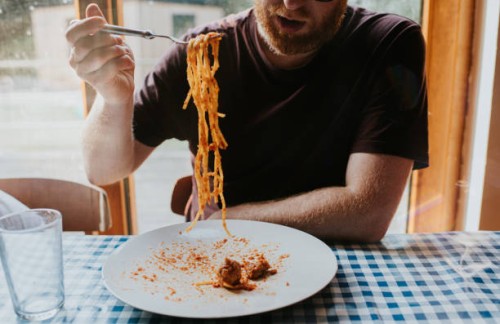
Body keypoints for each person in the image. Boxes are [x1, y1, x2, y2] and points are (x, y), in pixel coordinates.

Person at [65, 0, 428, 243]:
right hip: (217, 253)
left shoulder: (388, 44)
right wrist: (113, 98)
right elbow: (102, 170)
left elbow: (369, 212)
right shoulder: (199, 54)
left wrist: (229, 218)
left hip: (332, 261)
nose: (291, 3)